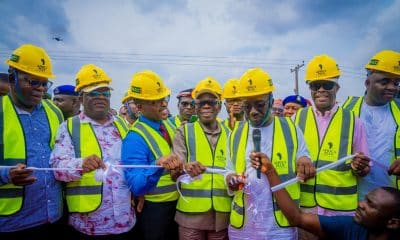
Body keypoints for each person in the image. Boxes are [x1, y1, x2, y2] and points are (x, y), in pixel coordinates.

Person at [225, 67, 315, 240]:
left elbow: (303, 156)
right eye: (247, 105)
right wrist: (231, 180)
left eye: (259, 104)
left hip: (280, 224)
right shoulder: (235, 132)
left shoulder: (290, 128)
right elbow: (228, 170)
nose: (252, 111)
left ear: (271, 100)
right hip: (244, 225)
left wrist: (304, 160)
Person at [50, 64, 135, 239]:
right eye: (93, 94)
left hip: (125, 219)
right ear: (81, 98)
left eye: (105, 93)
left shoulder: (122, 124)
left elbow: (131, 163)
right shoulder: (69, 127)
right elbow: (56, 167)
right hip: (88, 224)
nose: (101, 98)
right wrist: (80, 164)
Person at [294, 54, 371, 239]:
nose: (321, 90)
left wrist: (360, 167)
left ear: (337, 87)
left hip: (340, 215)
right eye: (315, 85)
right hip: (306, 211)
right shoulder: (295, 119)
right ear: (310, 89)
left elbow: (366, 166)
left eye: (327, 85)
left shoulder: (354, 122)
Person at [251, 152, 400, 240]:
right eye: (365, 199)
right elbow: (297, 217)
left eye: (371, 205)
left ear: (393, 222)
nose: (361, 204)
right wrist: (270, 171)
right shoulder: (351, 227)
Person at [0, 44, 64, 237]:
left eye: (45, 83)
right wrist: (6, 174)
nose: (41, 89)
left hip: (53, 216)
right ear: (12, 79)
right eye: (33, 82)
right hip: (12, 222)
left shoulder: (54, 112)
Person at [122, 70, 182, 240]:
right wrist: (156, 165)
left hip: (177, 205)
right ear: (139, 107)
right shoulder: (134, 138)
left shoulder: (168, 126)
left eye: (164, 98)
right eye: (156, 101)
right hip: (155, 213)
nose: (163, 104)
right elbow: (136, 185)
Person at [172, 77, 232, 240]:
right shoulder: (183, 132)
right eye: (201, 102)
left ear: (219, 106)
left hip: (222, 214)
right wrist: (185, 168)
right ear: (195, 107)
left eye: (211, 102)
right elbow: (175, 171)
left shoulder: (230, 135)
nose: (206, 106)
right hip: (190, 215)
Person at [342, 50, 400, 198]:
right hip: (350, 198)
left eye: (396, 83)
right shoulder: (346, 110)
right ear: (367, 83)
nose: (392, 87)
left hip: (389, 200)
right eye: (385, 81)